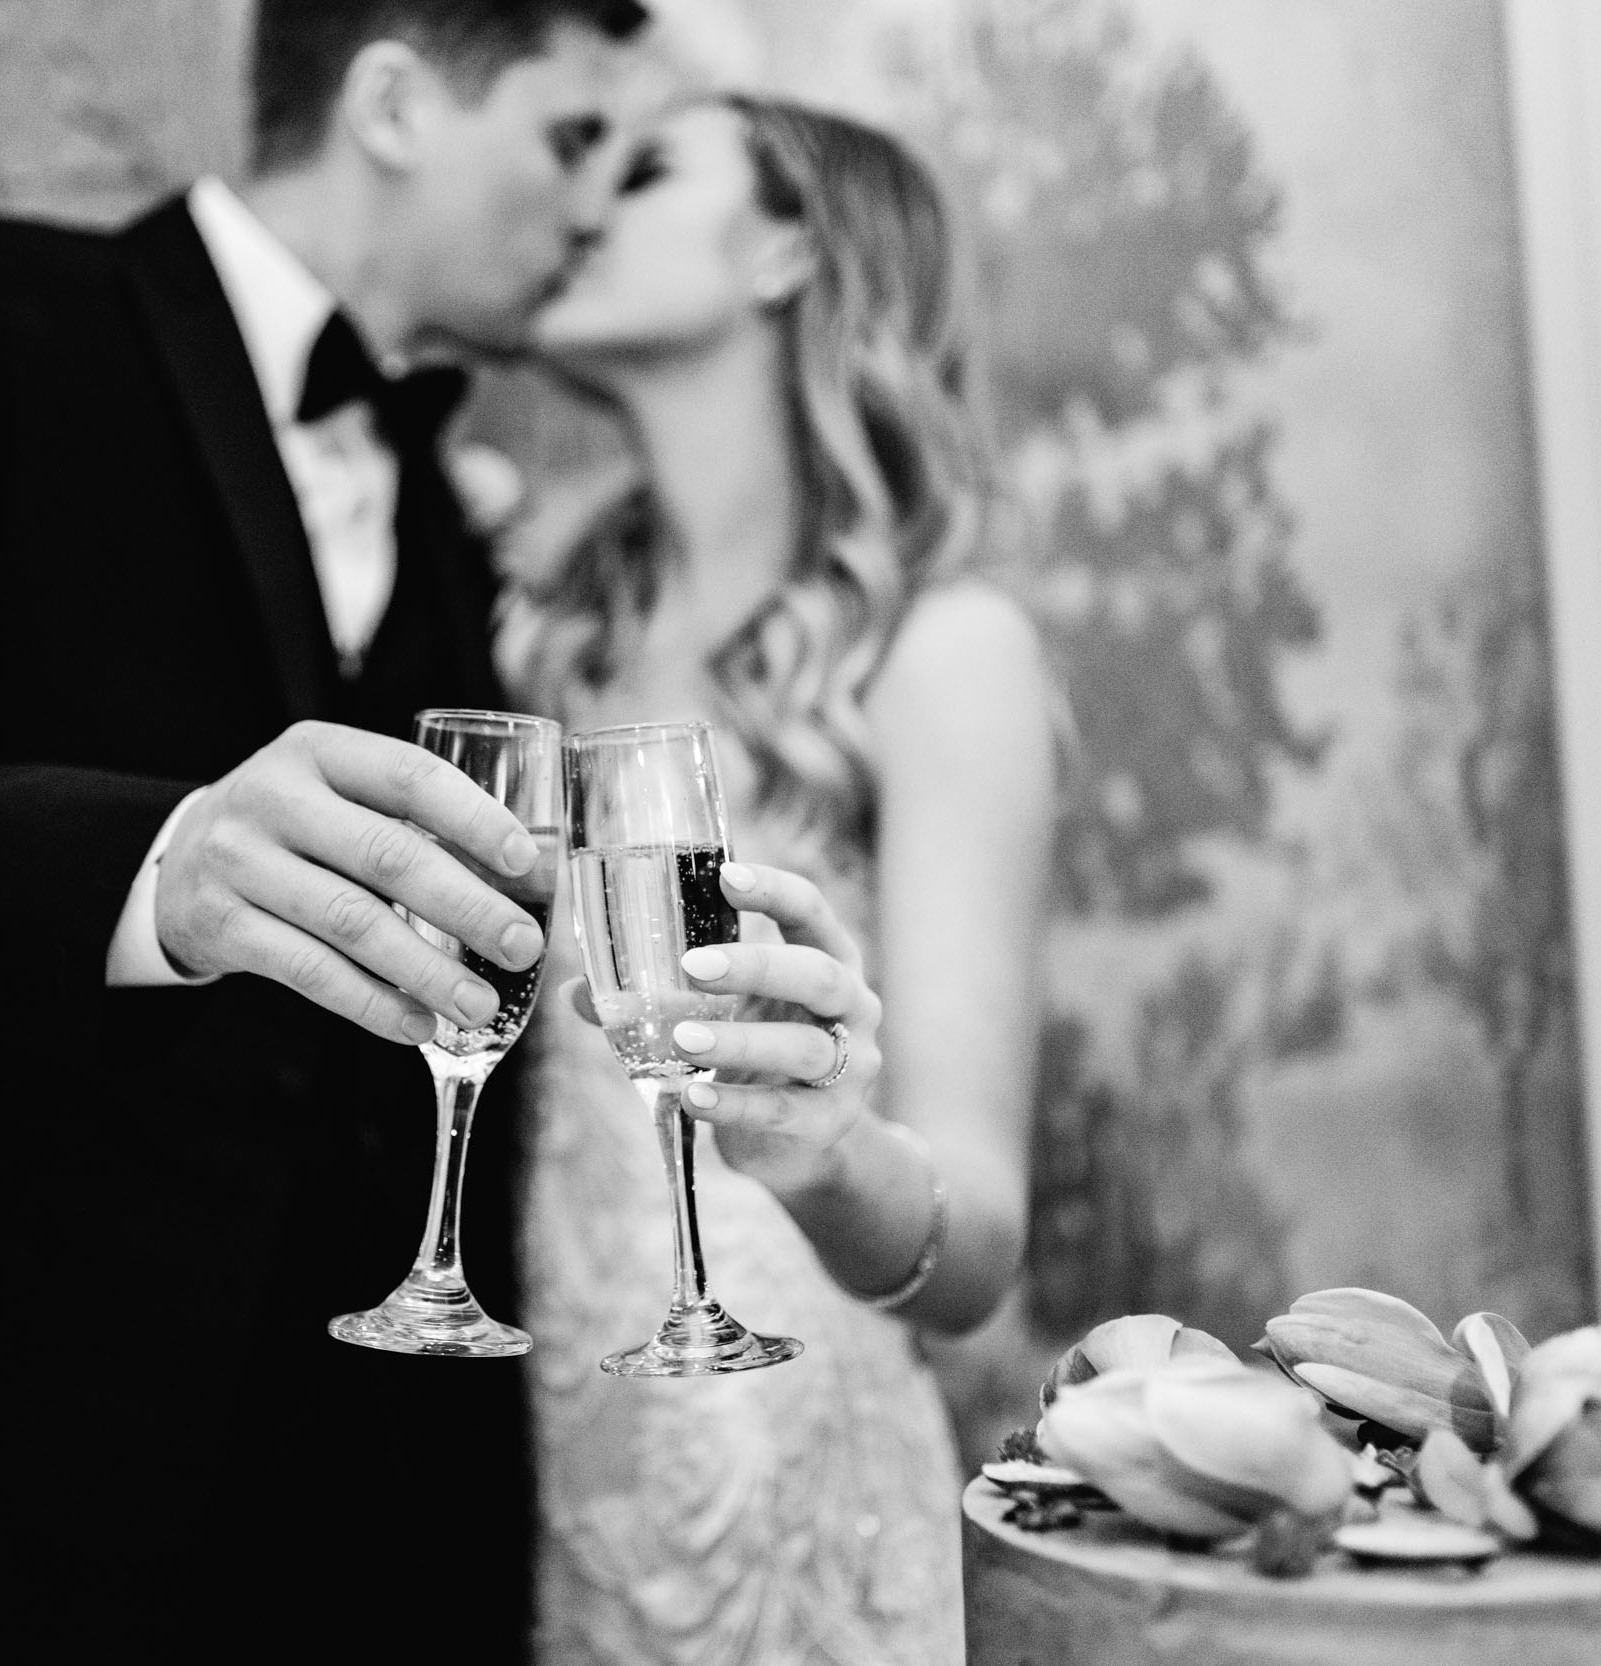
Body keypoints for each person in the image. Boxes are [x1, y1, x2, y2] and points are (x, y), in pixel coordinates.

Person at [0, 3, 650, 1658]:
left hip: (340, 1546)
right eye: (570, 137)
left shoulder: (449, 519)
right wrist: (158, 867)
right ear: (391, 104)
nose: (596, 206)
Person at [499, 95, 1059, 1662]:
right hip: (520, 1501)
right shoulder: (527, 639)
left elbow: (975, 1260)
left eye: (649, 168)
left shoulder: (938, 653)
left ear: (786, 246)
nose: (581, 196)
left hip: (788, 1511)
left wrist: (820, 1155)